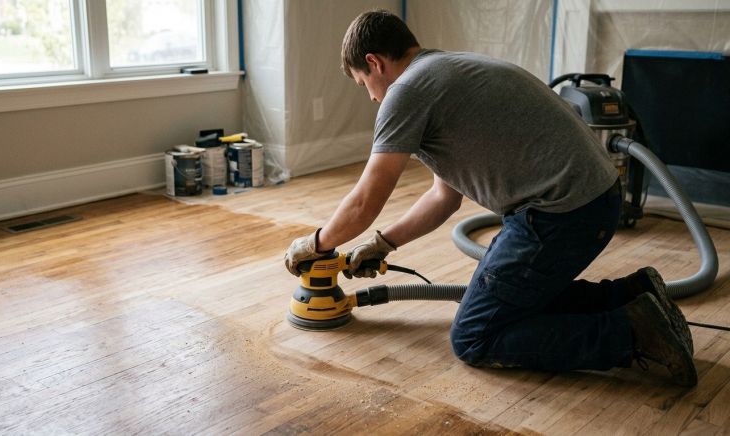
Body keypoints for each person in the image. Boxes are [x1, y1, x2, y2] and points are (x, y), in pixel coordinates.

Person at [284, 10, 696, 387]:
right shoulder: (449, 70)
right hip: (595, 199)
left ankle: (633, 335)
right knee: (513, 300)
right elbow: (444, 197)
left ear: (374, 62)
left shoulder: (406, 90)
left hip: (560, 214)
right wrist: (385, 243)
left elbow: (364, 201)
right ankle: (632, 295)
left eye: (364, 85)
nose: (372, 97)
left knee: (475, 336)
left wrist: (316, 244)